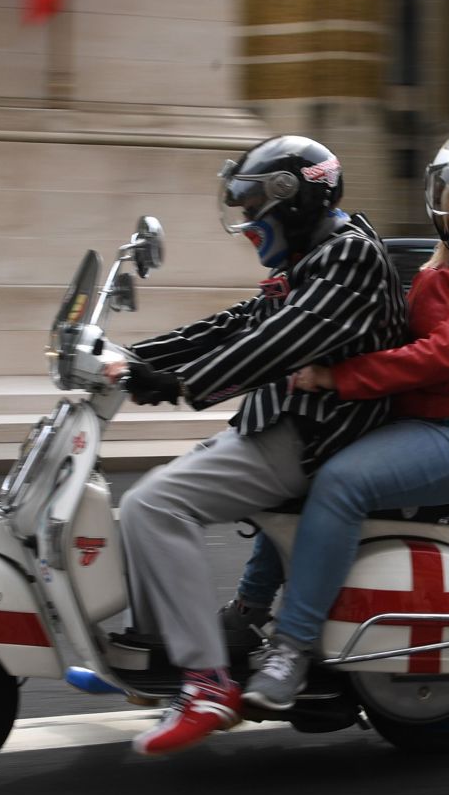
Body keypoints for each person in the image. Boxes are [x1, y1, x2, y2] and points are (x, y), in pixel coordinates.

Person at [107, 134, 407, 757]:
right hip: (278, 427)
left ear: (291, 201)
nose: (248, 225)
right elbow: (238, 323)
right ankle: (160, 650)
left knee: (152, 507)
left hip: (310, 439)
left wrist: (181, 383)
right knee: (149, 502)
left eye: (254, 210)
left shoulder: (350, 257)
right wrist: (136, 357)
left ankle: (206, 683)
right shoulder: (314, 255)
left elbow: (286, 339)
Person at [238, 130, 449, 711]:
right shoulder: (438, 271)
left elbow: (444, 355)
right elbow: (389, 334)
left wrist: (338, 379)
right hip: (427, 424)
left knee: (342, 482)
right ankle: (247, 613)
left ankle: (293, 647)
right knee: (303, 454)